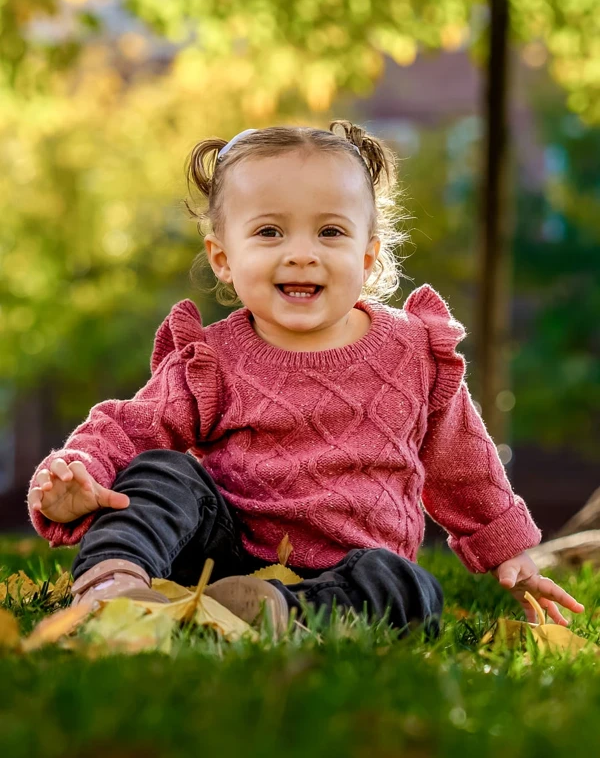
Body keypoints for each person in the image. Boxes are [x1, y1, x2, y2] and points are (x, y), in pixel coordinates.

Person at [27, 121, 583, 637]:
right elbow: (128, 426)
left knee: (410, 586)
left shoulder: (415, 351)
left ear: (368, 258)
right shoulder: (214, 359)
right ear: (223, 258)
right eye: (269, 231)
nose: (301, 254)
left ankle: (275, 612)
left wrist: (509, 550)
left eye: (330, 232)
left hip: (351, 568)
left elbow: (463, 461)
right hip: (226, 554)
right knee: (161, 470)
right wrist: (77, 475)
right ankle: (112, 585)